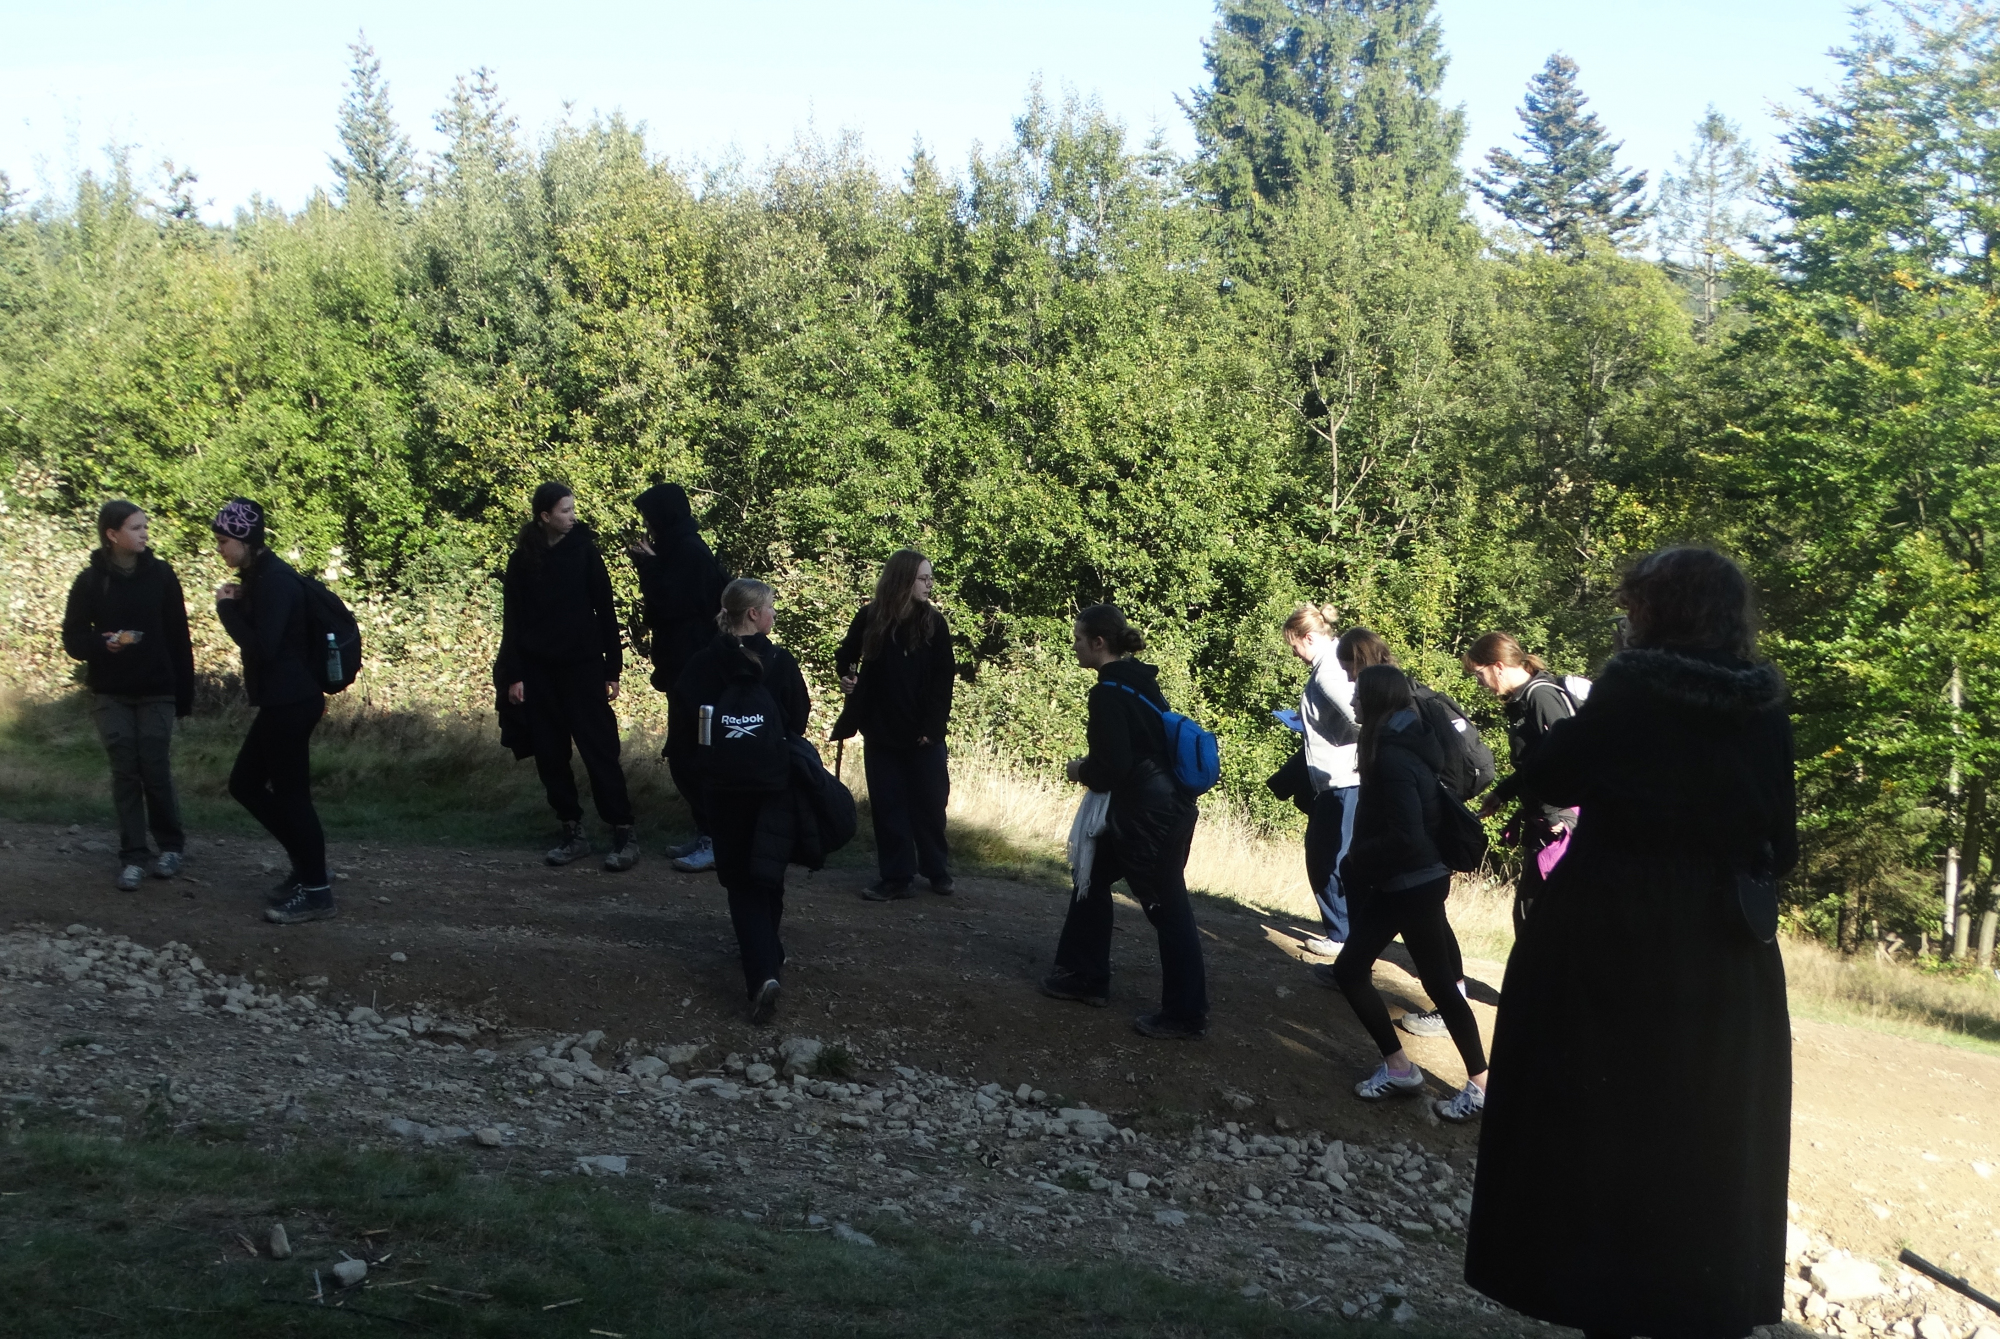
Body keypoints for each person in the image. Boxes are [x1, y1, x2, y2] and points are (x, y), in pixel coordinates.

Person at [1464, 547, 1796, 1339]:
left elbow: (1555, 774)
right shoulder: (1763, 703)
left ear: (1657, 611)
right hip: (1723, 949)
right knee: (1704, 1133)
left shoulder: (1633, 687)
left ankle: (1603, 1310)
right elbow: (1781, 845)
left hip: (1611, 929)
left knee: (1599, 1124)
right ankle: (1691, 1308)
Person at [1328, 665, 1489, 1121]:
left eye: (1359, 695)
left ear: (1377, 700)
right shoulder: (1397, 744)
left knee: (1387, 976)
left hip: (1411, 883)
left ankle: (1476, 1083)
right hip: (1409, 881)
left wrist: (1358, 857)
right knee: (1370, 972)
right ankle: (1403, 1069)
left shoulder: (1394, 758)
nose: (1353, 702)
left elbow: (1407, 834)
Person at [1039, 604, 1207, 1040]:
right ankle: (1083, 976)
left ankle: (1186, 1014)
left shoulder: (1108, 693)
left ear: (1099, 642)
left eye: (1079, 639)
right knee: (1091, 876)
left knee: (1168, 908)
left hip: (1147, 817)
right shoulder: (1138, 681)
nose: (1074, 646)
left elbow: (1112, 768)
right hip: (1159, 806)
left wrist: (1080, 770)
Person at [672, 579, 811, 1024]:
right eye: (769, 607)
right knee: (768, 868)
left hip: (722, 789)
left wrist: (700, 785)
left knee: (740, 880)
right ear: (753, 614)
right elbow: (798, 718)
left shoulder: (702, 663)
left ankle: (762, 973)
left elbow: (683, 731)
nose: (773, 613)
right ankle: (768, 952)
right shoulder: (780, 661)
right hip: (773, 787)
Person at [496, 483, 639, 872]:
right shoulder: (522, 560)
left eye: (573, 509)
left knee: (599, 749)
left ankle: (624, 832)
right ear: (545, 516)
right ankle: (572, 832)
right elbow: (513, 621)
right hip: (539, 671)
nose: (572, 517)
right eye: (565, 511)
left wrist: (612, 669)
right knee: (550, 753)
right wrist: (514, 675)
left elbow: (605, 610)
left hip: (583, 667)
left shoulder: (585, 553)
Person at [61, 500, 195, 891]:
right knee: (124, 769)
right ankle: (133, 855)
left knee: (154, 766)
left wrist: (185, 694)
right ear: (112, 534)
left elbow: (179, 637)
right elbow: (73, 639)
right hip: (111, 692)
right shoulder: (90, 581)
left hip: (157, 688)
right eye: (136, 528)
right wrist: (101, 644)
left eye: (145, 527)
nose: (144, 534)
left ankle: (170, 847)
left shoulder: (162, 575)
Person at [210, 499, 333, 925]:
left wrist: (226, 609)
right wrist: (240, 601)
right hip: (282, 700)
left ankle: (316, 891)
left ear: (244, 539)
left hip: (292, 702)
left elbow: (263, 646)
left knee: (292, 796)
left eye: (223, 541)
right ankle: (306, 868)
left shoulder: (276, 580)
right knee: (245, 783)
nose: (219, 549)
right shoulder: (260, 577)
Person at [834, 549, 956, 900]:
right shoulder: (871, 617)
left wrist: (933, 728)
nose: (929, 584)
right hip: (881, 728)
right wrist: (849, 677)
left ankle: (936, 869)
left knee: (930, 805)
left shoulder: (933, 623)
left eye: (930, 577)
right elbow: (846, 655)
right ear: (903, 580)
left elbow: (943, 679)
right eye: (923, 578)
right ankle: (897, 876)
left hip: (923, 732)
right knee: (888, 806)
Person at [630, 481, 728, 874]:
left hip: (697, 672)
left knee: (696, 754)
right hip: (681, 669)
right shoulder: (676, 549)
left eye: (650, 518)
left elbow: (673, 605)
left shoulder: (689, 552)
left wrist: (649, 566)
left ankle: (715, 838)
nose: (648, 526)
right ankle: (705, 831)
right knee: (685, 753)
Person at [1464, 631, 1577, 932]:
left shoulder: (1541, 697)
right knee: (1530, 914)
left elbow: (1566, 757)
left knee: (1540, 917)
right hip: (1544, 817)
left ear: (1498, 666)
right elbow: (1535, 763)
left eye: (1479, 674)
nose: (1480, 683)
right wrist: (1502, 793)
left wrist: (1553, 814)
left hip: (1559, 821)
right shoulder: (1523, 700)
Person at [1280, 604, 1358, 956]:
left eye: (1294, 645)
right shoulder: (1336, 662)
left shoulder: (1328, 672)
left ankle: (1343, 937)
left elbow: (1362, 718)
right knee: (1331, 855)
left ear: (1309, 638)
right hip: (1342, 779)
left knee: (1327, 858)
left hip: (1343, 780)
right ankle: (1348, 935)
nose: (1294, 653)